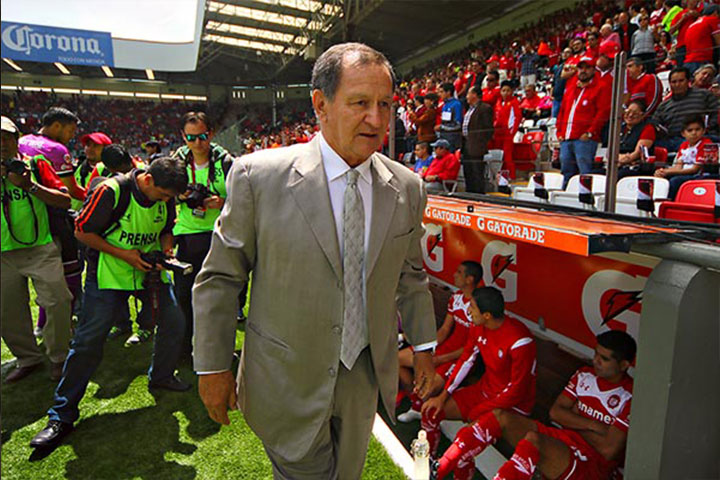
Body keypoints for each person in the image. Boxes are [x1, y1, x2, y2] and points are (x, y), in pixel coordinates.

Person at [192, 42, 437, 479]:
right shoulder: (258, 176)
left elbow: (411, 275)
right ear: (320, 104)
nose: (376, 119)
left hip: (362, 376)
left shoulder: (407, 187)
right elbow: (221, 278)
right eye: (360, 103)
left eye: (384, 104)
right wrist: (213, 366)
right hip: (286, 375)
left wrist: (423, 347)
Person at [30, 157, 191, 449]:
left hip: (149, 271)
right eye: (163, 195)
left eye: (170, 198)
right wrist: (125, 254)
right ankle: (61, 415)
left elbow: (166, 228)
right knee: (88, 341)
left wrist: (167, 250)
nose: (166, 201)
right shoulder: (111, 191)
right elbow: (81, 231)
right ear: (148, 180)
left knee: (174, 321)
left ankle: (161, 376)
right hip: (108, 275)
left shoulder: (165, 196)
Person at [433, 330, 636, 480]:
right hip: (563, 440)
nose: (596, 361)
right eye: (596, 354)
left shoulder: (631, 395)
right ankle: (438, 470)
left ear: (624, 365)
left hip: (592, 465)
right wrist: (594, 426)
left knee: (533, 441)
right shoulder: (585, 374)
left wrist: (572, 418)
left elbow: (608, 449)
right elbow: (555, 413)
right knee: (499, 417)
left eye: (604, 359)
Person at [420, 287, 536, 465]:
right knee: (431, 411)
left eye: (472, 307)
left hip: (511, 408)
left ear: (487, 315)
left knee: (466, 441)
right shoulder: (478, 326)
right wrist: (443, 396)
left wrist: (479, 411)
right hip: (483, 392)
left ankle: (451, 472)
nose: (468, 311)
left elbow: (516, 391)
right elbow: (466, 360)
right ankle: (427, 460)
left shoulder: (520, 341)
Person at [1, 115, 72, 383]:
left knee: (58, 301)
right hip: (2, 254)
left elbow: (64, 200)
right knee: (7, 311)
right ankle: (28, 358)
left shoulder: (35, 164)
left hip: (41, 248)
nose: (1, 144)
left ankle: (59, 357)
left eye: (6, 138)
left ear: (16, 139)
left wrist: (29, 185)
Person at [171, 111, 234, 356]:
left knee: (218, 297)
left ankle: (217, 350)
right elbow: (165, 194)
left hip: (219, 235)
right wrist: (181, 196)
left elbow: (244, 198)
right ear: (182, 136)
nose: (197, 143)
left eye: (202, 136)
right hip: (187, 236)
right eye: (191, 138)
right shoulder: (177, 162)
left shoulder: (226, 162)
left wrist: (223, 202)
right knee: (184, 296)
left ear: (212, 133)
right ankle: (184, 348)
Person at [397, 261, 483, 423]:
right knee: (397, 359)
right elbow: (444, 330)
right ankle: (413, 399)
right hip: (445, 348)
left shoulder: (478, 306)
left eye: (459, 272)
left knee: (428, 386)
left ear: (469, 279)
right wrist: (427, 350)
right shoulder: (456, 298)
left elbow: (471, 348)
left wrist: (439, 359)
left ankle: (420, 402)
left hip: (459, 357)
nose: (454, 275)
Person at [556, 56, 611, 186]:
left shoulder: (601, 87)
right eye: (581, 68)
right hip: (567, 137)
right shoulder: (572, 87)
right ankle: (565, 195)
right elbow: (562, 110)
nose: (583, 71)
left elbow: (602, 113)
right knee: (566, 172)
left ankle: (585, 196)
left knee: (585, 172)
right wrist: (559, 131)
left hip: (584, 139)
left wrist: (590, 133)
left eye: (587, 68)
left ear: (594, 70)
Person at [651, 67, 719, 152]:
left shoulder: (704, 95)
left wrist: (707, 128)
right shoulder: (663, 105)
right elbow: (655, 123)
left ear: (688, 81)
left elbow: (716, 112)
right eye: (674, 82)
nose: (677, 84)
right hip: (674, 139)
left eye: (681, 81)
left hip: (702, 136)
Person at [655, 115, 714, 198]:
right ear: (683, 134)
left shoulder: (706, 144)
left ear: (704, 131)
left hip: (698, 175)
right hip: (683, 173)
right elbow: (678, 167)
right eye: (690, 130)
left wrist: (668, 172)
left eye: (697, 129)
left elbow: (694, 169)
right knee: (660, 179)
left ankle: (670, 202)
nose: (694, 133)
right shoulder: (684, 145)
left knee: (675, 181)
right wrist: (662, 171)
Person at [618, 100, 658, 178]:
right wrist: (618, 159)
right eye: (628, 112)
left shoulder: (648, 128)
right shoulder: (620, 127)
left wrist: (623, 160)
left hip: (636, 165)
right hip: (618, 162)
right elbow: (610, 151)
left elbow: (637, 153)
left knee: (619, 175)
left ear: (643, 115)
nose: (630, 115)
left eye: (635, 113)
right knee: (597, 173)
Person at [490, 81, 521, 179]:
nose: (505, 93)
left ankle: (511, 177)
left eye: (508, 90)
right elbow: (495, 117)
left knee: (507, 156)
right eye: (503, 90)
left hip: (507, 133)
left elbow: (517, 118)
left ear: (512, 91)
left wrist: (512, 132)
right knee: (498, 156)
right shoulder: (498, 103)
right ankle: (500, 177)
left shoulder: (514, 102)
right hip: (497, 133)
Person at [683, 4, 720, 74]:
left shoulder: (695, 23)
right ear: (715, 13)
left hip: (689, 61)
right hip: (701, 60)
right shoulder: (713, 19)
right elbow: (719, 41)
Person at [435, 82, 464, 151]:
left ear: (448, 92)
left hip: (453, 139)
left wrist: (442, 127)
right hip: (444, 137)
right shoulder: (444, 105)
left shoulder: (456, 104)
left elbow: (458, 125)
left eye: (442, 92)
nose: (440, 94)